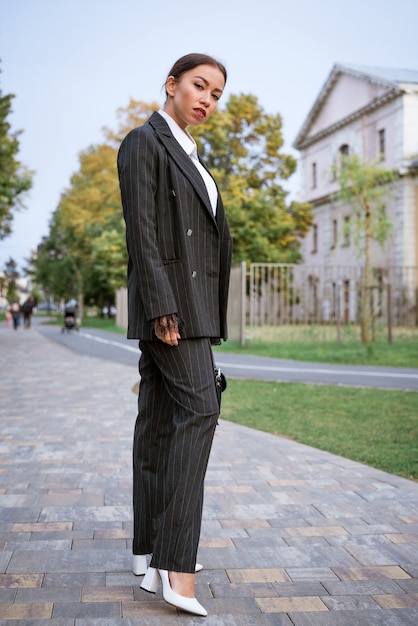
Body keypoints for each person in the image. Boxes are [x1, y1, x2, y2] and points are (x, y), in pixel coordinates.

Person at [117, 53, 232, 617]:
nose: (207, 99)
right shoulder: (145, 142)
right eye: (198, 86)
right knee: (201, 413)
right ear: (171, 85)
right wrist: (163, 305)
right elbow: (141, 229)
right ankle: (175, 569)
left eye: (216, 93)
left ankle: (149, 553)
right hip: (173, 313)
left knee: (160, 424)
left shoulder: (190, 153)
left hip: (192, 310)